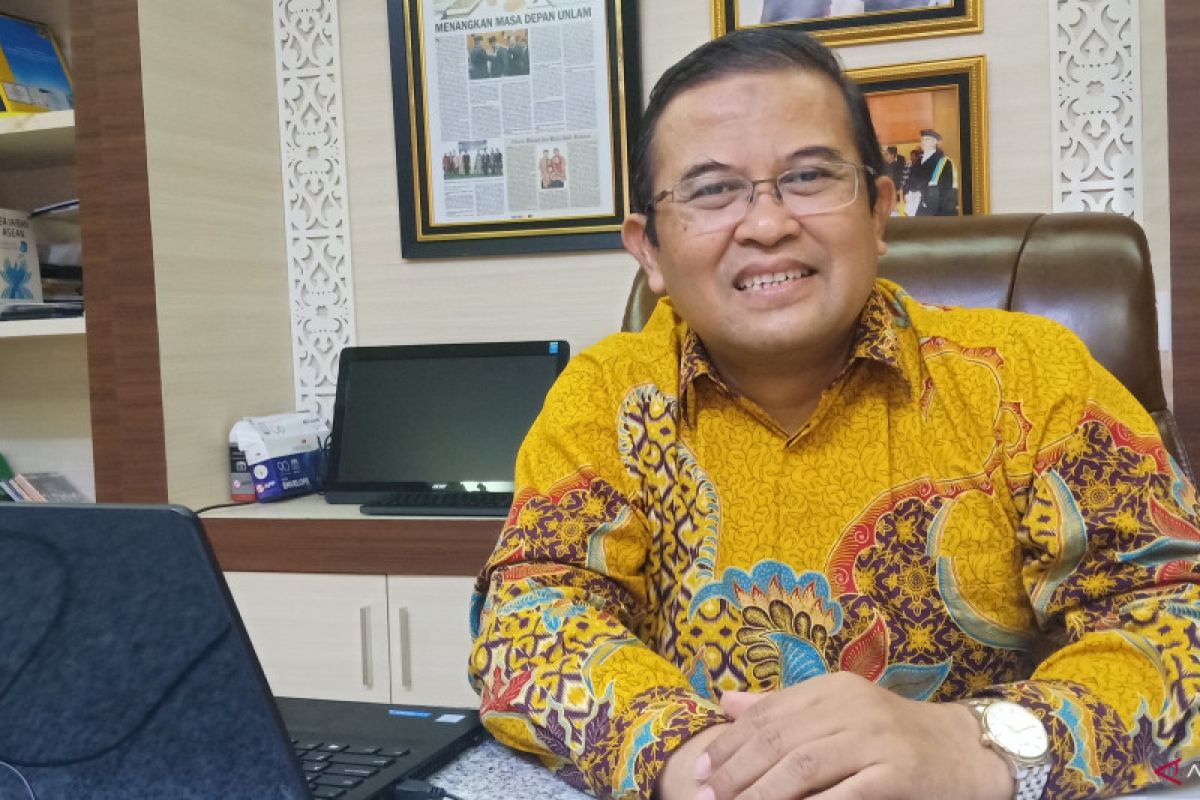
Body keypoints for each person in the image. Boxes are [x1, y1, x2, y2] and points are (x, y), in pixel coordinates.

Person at [469, 25, 1200, 800]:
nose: (767, 224)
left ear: (879, 211)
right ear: (648, 248)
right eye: (712, 190)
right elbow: (528, 625)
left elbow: (1178, 618)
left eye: (809, 177)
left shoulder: (1030, 377)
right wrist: (694, 762)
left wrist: (977, 745)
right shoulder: (603, 398)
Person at [904, 128, 958, 216]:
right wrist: (907, 193)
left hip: (936, 213)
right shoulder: (917, 161)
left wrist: (922, 194)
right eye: (922, 139)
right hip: (916, 210)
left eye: (927, 139)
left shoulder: (944, 162)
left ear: (935, 142)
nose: (923, 142)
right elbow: (909, 181)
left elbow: (948, 192)